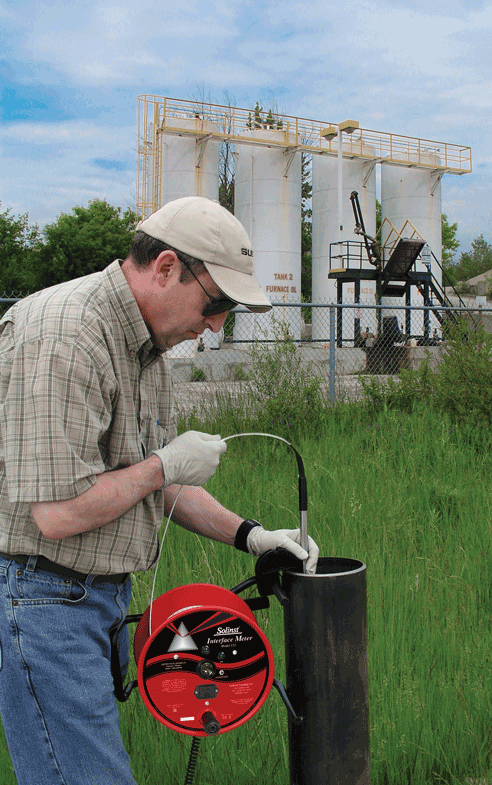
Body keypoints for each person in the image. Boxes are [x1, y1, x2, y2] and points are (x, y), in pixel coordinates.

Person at [0, 196, 319, 785]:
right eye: (216, 302)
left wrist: (254, 538)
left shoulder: (146, 348)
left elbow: (151, 482)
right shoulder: (67, 337)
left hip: (93, 598)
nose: (218, 324)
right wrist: (165, 464)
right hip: (43, 600)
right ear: (167, 266)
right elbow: (58, 514)